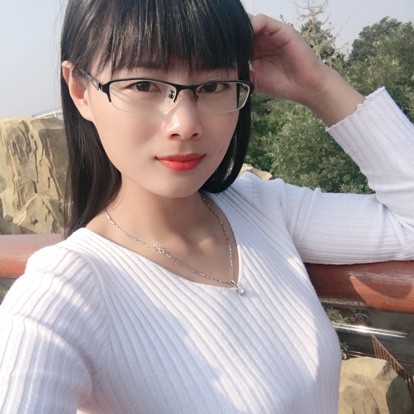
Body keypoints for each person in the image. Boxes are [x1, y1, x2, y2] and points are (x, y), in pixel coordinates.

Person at [0, 0, 413, 412]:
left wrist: (318, 85)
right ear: (80, 91)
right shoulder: (65, 293)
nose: (185, 124)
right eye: (143, 86)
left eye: (213, 86)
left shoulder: (263, 208)